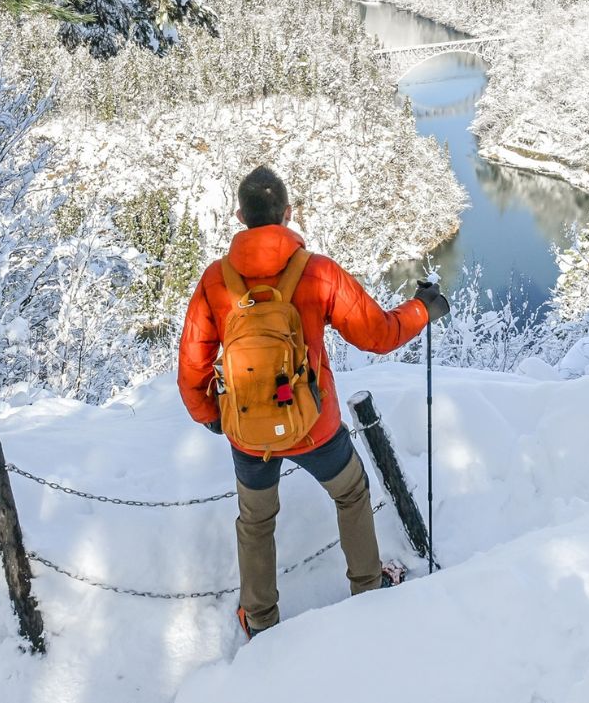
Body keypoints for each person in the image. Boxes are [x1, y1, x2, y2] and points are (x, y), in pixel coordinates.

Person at [178, 165, 449, 639]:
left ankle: (260, 619)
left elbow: (192, 367)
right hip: (314, 426)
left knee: (256, 521)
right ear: (287, 213)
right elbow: (379, 334)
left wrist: (211, 417)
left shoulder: (215, 281)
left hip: (247, 430)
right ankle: (367, 587)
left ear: (240, 216)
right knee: (350, 492)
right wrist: (423, 306)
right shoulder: (316, 272)